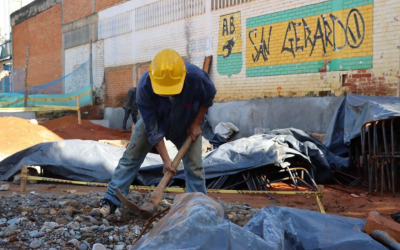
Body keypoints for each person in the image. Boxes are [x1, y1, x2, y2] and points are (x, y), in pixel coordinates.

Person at [91, 49, 217, 216]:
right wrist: (166, 160)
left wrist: (196, 123)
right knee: (131, 157)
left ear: (183, 75)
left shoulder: (196, 77)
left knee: (195, 167)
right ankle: (110, 201)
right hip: (155, 120)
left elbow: (208, 98)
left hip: (187, 121)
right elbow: (152, 127)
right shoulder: (145, 85)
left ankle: (199, 208)